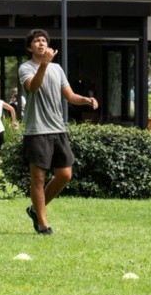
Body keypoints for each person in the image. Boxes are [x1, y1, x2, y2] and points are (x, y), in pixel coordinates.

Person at [19, 28, 98, 235]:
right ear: (30, 47)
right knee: (38, 178)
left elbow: (70, 96)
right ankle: (43, 224)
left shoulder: (57, 69)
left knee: (65, 175)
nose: (41, 43)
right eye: (36, 41)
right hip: (36, 130)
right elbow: (33, 87)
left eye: (44, 40)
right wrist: (43, 64)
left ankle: (35, 210)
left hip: (57, 128)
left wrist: (86, 100)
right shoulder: (25, 68)